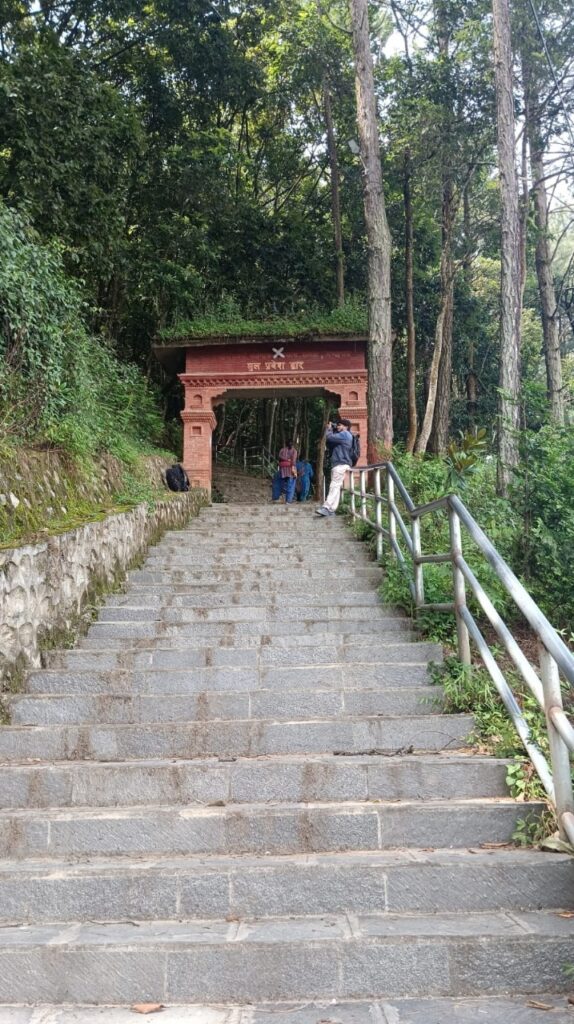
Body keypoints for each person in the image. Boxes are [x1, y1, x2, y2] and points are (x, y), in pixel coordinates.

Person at [315, 419, 352, 517]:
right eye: (337, 425)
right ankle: (331, 509)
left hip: (340, 463)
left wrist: (329, 429)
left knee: (334, 485)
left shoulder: (345, 434)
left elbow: (329, 438)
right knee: (336, 486)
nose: (338, 426)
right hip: (341, 463)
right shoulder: (345, 435)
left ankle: (326, 507)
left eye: (340, 425)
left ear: (346, 426)